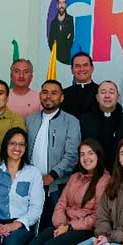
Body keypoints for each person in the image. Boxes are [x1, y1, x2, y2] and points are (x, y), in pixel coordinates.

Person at [27, 139, 111, 245]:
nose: (86, 158)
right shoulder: (74, 177)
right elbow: (61, 204)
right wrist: (61, 225)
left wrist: (70, 227)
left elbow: (98, 215)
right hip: (64, 224)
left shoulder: (105, 180)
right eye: (82, 154)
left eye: (90, 153)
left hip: (86, 229)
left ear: (98, 156)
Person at [27, 80, 81, 226]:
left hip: (57, 185)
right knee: (29, 225)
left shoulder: (71, 122)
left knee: (51, 226)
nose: (48, 96)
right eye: (45, 92)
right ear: (40, 95)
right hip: (31, 184)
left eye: (54, 93)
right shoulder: (30, 120)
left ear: (61, 98)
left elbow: (72, 155)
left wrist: (53, 175)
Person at [79, 80, 122, 171]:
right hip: (91, 173)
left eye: (111, 92)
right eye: (103, 92)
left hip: (118, 173)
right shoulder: (83, 120)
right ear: (97, 97)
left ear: (117, 97)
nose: (107, 96)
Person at [61, 52, 99, 116]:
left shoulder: (102, 93)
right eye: (77, 66)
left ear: (92, 68)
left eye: (85, 65)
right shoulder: (63, 94)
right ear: (72, 70)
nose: (81, 69)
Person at [48, 0, 75, 65]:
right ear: (57, 5)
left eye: (63, 2)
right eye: (60, 3)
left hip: (66, 60)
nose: (61, 5)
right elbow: (51, 42)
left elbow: (71, 39)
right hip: (55, 61)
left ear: (66, 4)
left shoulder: (71, 20)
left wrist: (60, 41)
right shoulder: (53, 23)